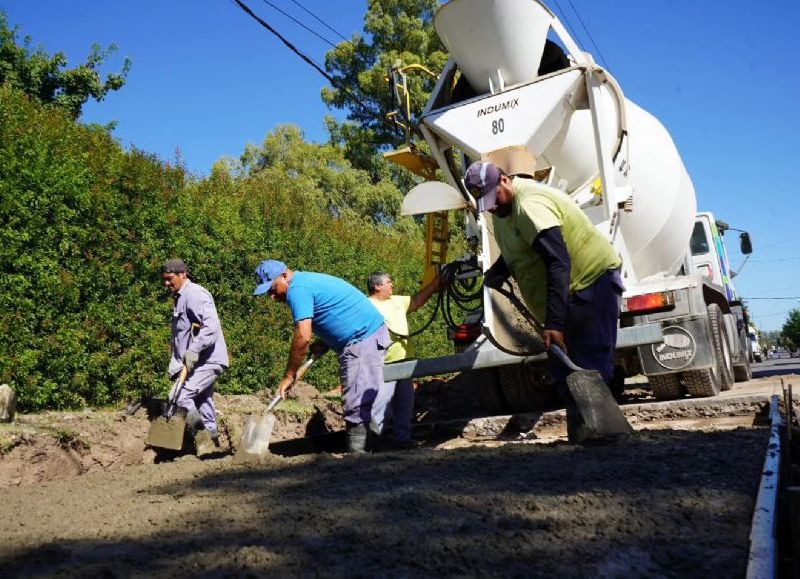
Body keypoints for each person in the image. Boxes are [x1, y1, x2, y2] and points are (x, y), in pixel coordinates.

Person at [464, 161, 623, 408]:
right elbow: (519, 245)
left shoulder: (530, 205)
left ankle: (606, 436)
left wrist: (555, 324)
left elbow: (558, 261)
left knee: (590, 367)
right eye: (486, 203)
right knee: (564, 371)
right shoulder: (502, 210)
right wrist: (499, 271)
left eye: (493, 198)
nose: (492, 207)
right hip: (567, 295)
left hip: (590, 286)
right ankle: (585, 434)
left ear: (505, 180)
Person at [253, 259, 390, 454]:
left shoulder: (297, 290)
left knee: (356, 404)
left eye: (272, 289)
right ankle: (372, 454)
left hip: (362, 339)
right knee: (360, 402)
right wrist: (326, 341)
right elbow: (338, 310)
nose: (272, 297)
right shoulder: (306, 282)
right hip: (367, 336)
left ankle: (360, 460)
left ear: (284, 276)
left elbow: (303, 335)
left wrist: (289, 374)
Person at [161, 258, 229, 455]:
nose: (166, 283)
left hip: (207, 360)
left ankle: (203, 440)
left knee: (180, 397)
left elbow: (211, 327)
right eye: (164, 279)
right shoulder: (180, 296)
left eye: (169, 278)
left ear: (183, 275)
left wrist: (194, 350)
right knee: (202, 402)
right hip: (196, 363)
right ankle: (213, 445)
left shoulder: (195, 294)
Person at [367, 271, 441, 449]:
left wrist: (435, 284)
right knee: (380, 403)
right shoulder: (367, 305)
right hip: (384, 362)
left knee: (405, 403)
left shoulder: (397, 301)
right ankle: (373, 442)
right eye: (388, 282)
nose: (392, 285)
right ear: (377, 286)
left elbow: (416, 301)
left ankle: (402, 439)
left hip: (405, 361)